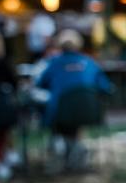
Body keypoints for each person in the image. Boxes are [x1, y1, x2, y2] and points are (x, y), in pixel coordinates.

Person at [37, 30, 113, 161]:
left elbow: (40, 84)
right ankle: (75, 148)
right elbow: (106, 88)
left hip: (60, 115)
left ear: (60, 45)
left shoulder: (54, 63)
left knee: (60, 112)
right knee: (75, 113)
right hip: (89, 113)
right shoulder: (89, 62)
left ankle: (67, 148)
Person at [0, 32, 18, 181]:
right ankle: (6, 158)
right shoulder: (3, 64)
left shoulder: (3, 64)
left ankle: (7, 156)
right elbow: (15, 85)